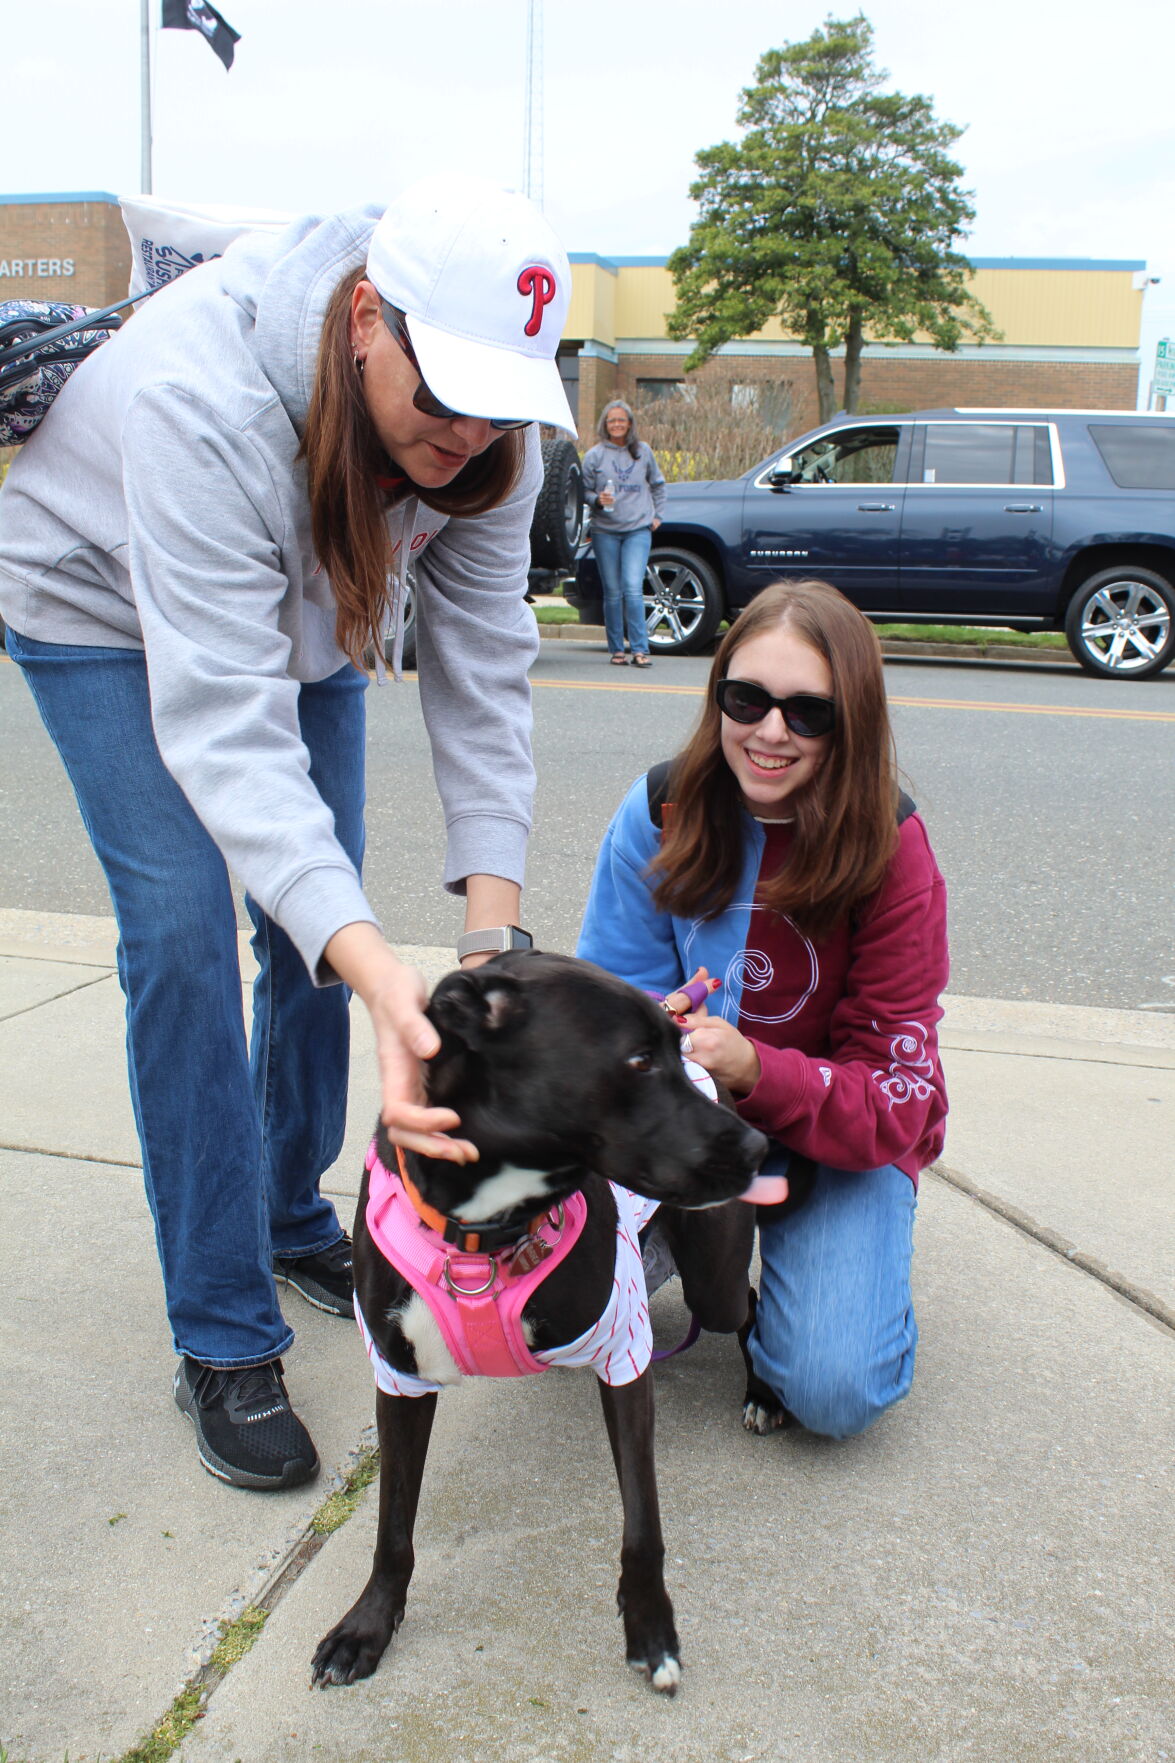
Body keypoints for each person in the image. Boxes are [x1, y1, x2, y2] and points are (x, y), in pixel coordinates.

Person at [0, 174, 575, 1491]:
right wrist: (385, 977)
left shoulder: (489, 416)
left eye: (498, 410)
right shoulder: (202, 399)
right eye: (441, 398)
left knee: (324, 921)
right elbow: (226, 735)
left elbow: (484, 668)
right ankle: (219, 1327)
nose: (468, 434)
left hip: (309, 602)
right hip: (99, 605)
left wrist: (490, 942)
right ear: (367, 316)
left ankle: (282, 1204)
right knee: (190, 936)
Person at [577, 579, 949, 1440]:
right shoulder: (660, 809)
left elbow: (891, 1102)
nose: (770, 730)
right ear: (717, 698)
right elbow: (608, 1009)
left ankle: (822, 1258)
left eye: (808, 712)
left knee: (829, 1391)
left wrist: (753, 1068)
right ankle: (698, 1241)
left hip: (839, 1137)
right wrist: (651, 1037)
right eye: (745, 699)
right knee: (557, 1305)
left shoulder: (892, 850)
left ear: (850, 719)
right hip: (687, 1123)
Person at [581, 398, 665, 668]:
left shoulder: (643, 451)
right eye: (611, 420)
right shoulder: (595, 455)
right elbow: (582, 491)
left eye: (621, 420)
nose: (617, 425)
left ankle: (640, 649)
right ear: (605, 425)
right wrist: (597, 500)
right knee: (613, 591)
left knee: (632, 588)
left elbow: (658, 485)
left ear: (630, 424)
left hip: (637, 530)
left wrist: (657, 516)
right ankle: (617, 650)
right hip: (605, 530)